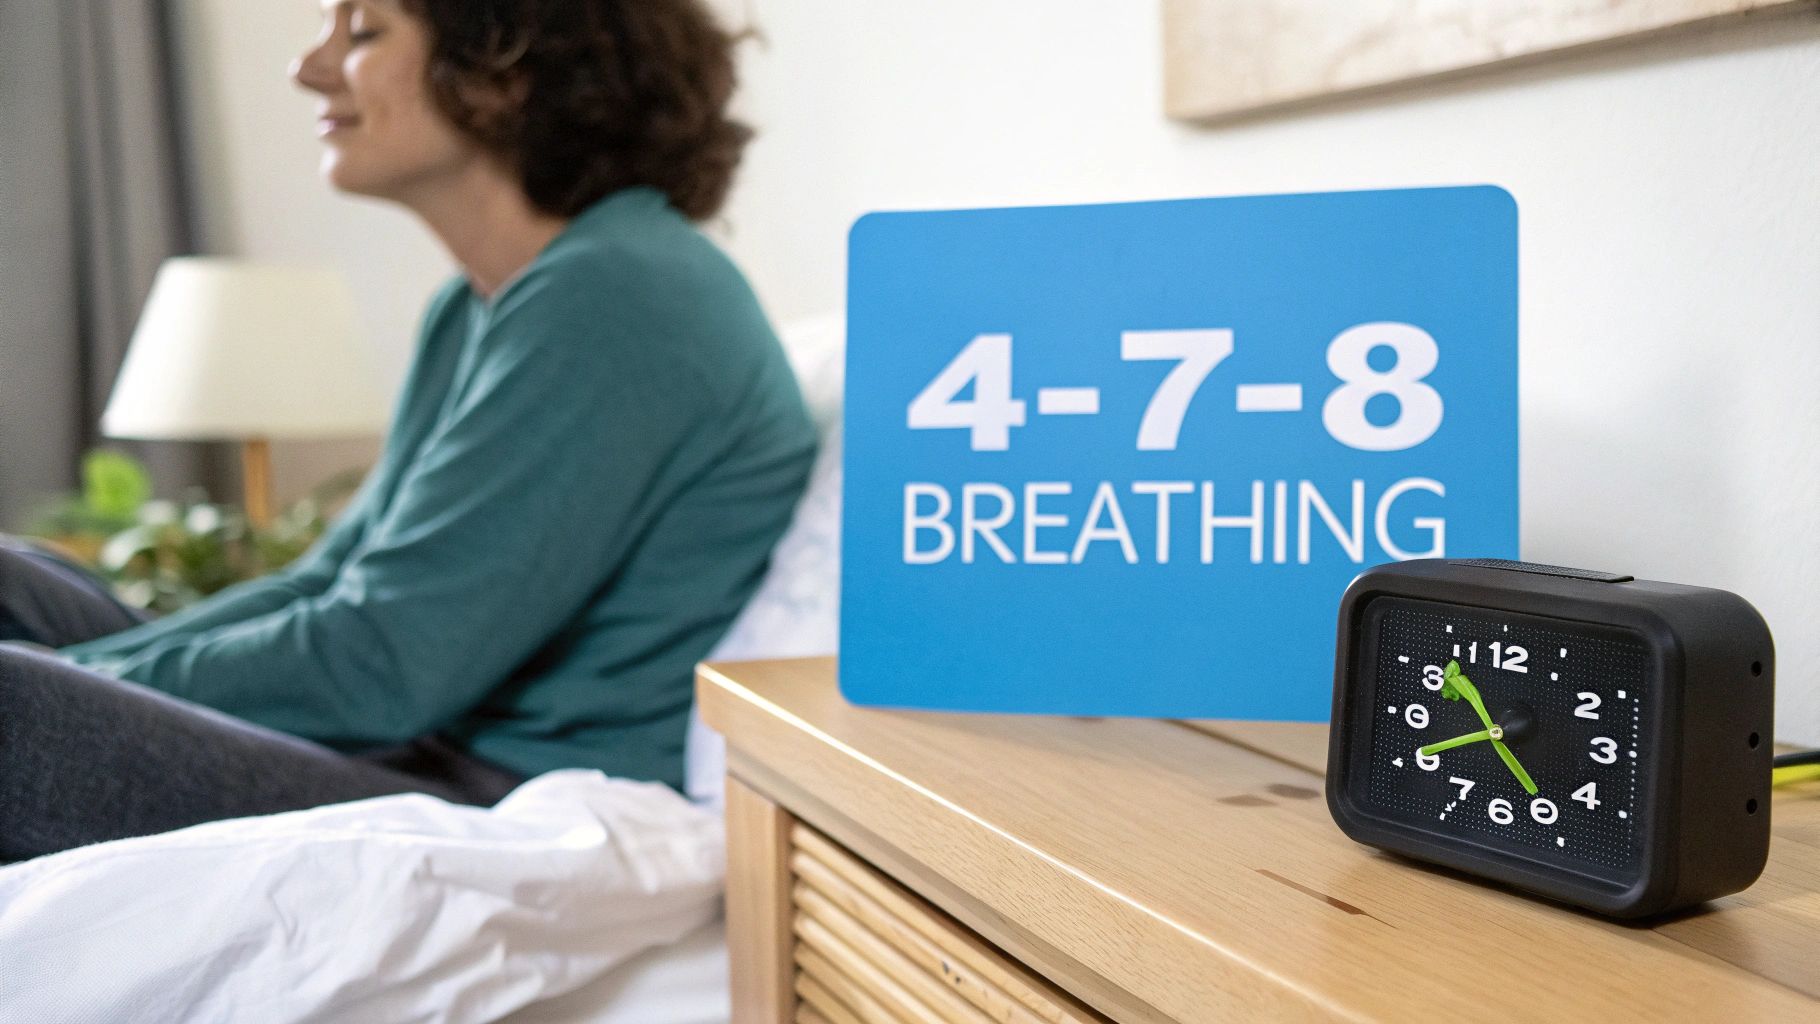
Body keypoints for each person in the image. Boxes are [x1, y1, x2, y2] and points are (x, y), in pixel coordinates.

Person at [0, 0, 815, 864]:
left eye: (362, 34)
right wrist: (95, 682)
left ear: (505, 68)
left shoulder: (620, 294)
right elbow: (330, 583)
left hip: (496, 785)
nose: (309, 69)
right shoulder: (479, 304)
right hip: (419, 737)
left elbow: (384, 661)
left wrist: (70, 691)